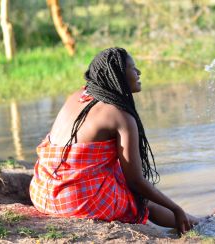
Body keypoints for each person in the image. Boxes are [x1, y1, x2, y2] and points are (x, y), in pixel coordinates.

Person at [29, 47, 199, 234]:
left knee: (117, 172)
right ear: (118, 75)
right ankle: (197, 222)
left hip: (42, 191)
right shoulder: (120, 116)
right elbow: (136, 182)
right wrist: (176, 208)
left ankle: (191, 220)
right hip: (71, 202)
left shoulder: (79, 96)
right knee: (140, 198)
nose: (138, 72)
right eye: (133, 68)